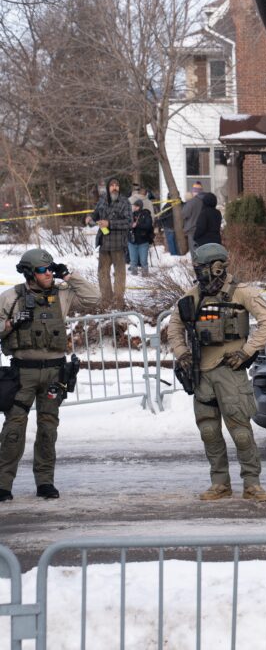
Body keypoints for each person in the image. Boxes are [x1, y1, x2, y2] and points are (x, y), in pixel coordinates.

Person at [166, 243, 266, 502]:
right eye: (197, 269)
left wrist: (247, 351)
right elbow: (174, 326)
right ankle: (219, 483)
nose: (198, 273)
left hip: (230, 372)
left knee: (240, 431)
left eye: (202, 268)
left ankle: (252, 483)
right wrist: (182, 353)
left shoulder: (242, 293)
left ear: (217, 267)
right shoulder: (192, 296)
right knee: (209, 432)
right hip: (201, 374)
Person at [0, 249, 100, 501]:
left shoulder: (62, 294)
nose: (48, 274)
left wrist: (67, 275)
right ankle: (3, 484)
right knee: (13, 430)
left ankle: (45, 482)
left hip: (54, 373)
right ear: (29, 274)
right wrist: (12, 324)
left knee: (48, 429)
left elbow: (93, 297)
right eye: (42, 270)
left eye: (50, 269)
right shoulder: (11, 297)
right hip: (23, 374)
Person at [86, 177, 132, 309]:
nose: (114, 187)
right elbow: (95, 214)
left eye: (117, 185)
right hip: (104, 243)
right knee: (102, 273)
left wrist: (109, 223)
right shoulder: (102, 200)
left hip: (118, 244)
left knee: (119, 274)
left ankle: (118, 302)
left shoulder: (125, 202)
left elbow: (128, 222)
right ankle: (106, 301)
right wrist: (90, 218)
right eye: (112, 185)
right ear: (108, 187)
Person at [128, 199, 154, 276]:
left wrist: (138, 225)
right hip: (132, 241)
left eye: (134, 206)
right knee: (133, 261)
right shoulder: (130, 215)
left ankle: (145, 275)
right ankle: (134, 275)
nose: (132, 207)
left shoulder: (146, 214)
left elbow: (148, 226)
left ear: (138, 206)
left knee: (143, 261)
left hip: (143, 241)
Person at [182, 182, 205, 253]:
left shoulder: (191, 202)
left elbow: (183, 215)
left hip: (192, 229)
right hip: (203, 229)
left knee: (194, 250)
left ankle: (196, 263)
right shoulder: (205, 201)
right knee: (202, 249)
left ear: (194, 191)